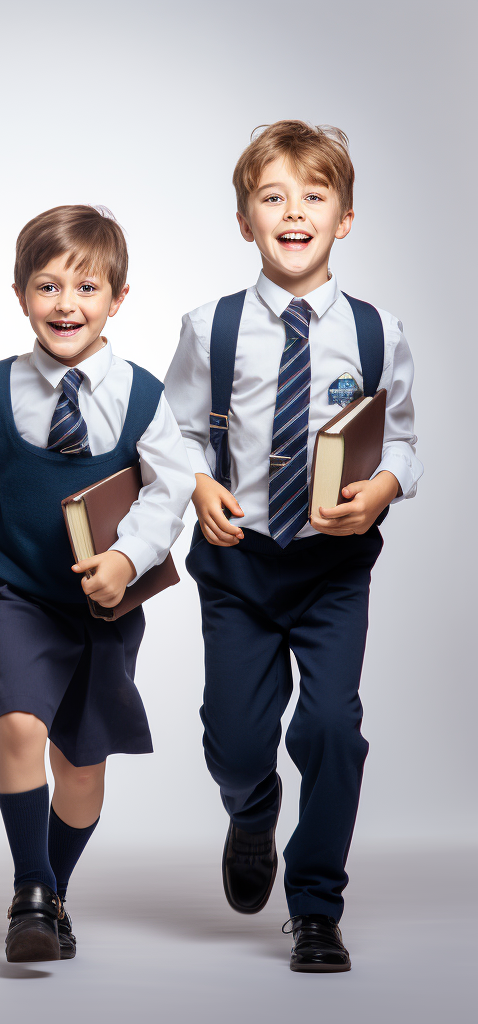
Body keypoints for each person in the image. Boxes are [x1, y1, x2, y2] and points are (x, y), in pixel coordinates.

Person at [164, 121, 422, 972]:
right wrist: (200, 483)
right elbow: (174, 439)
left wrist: (381, 489)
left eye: (314, 197)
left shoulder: (379, 331)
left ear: (345, 218)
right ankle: (252, 808)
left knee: (331, 729)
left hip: (333, 566)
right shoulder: (213, 327)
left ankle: (315, 906)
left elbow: (404, 444)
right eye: (272, 197)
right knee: (233, 739)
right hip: (239, 562)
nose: (293, 211)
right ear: (246, 220)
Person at [0, 205, 194, 962]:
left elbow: (168, 488)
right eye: (47, 286)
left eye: (87, 287)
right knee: (18, 726)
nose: (66, 304)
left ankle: (57, 888)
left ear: (117, 299)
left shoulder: (143, 397)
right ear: (20, 295)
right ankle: (30, 893)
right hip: (16, 587)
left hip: (104, 606)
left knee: (81, 770)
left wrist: (128, 559)